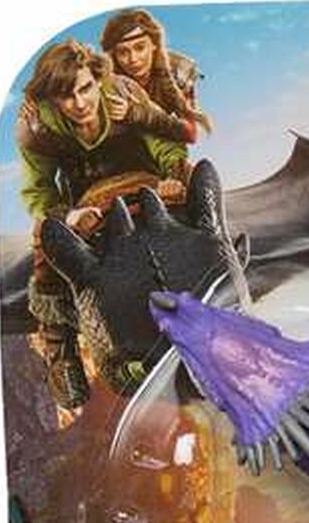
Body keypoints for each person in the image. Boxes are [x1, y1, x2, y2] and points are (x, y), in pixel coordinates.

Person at [16, 38, 193, 413]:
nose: (80, 103)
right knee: (44, 241)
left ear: (96, 79)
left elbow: (165, 143)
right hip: (87, 203)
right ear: (52, 99)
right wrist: (68, 217)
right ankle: (60, 348)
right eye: (66, 97)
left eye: (85, 89)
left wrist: (174, 174)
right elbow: (38, 191)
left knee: (200, 186)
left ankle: (230, 276)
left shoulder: (123, 94)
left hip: (147, 185)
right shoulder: (36, 128)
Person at [101, 8, 211, 135]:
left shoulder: (179, 70)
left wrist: (135, 113)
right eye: (123, 52)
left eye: (140, 48)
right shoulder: (107, 82)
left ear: (154, 44)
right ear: (114, 54)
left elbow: (189, 132)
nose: (133, 59)